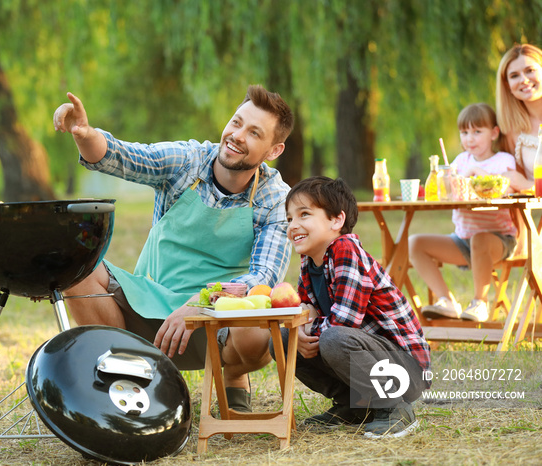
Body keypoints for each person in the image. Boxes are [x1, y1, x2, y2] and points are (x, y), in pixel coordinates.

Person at [53, 85, 294, 412]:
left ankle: (235, 375)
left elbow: (264, 277)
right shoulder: (188, 160)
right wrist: (84, 133)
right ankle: (125, 377)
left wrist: (200, 303)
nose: (237, 135)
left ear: (273, 150)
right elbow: (124, 156)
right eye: (236, 123)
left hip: (216, 319)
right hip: (146, 302)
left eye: (254, 133)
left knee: (255, 333)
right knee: (79, 267)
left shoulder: (276, 198)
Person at [269, 176, 430, 439]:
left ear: (336, 220)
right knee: (283, 338)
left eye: (304, 214)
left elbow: (344, 322)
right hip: (367, 358)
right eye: (289, 219)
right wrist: (300, 331)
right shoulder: (309, 262)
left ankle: (393, 407)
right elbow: (305, 308)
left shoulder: (346, 250)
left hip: (405, 369)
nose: (293, 225)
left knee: (332, 337)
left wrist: (309, 328)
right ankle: (355, 406)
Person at [410, 103, 517, 322]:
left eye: (477, 132)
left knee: (480, 239)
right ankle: (446, 300)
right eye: (465, 132)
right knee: (414, 243)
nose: (470, 138)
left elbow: (507, 188)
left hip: (499, 241)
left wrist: (477, 172)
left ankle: (480, 302)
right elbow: (447, 194)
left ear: (494, 133)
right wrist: (447, 184)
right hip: (462, 241)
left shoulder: (503, 161)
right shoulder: (459, 162)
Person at [496, 43, 542, 191]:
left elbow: (522, 184)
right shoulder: (512, 132)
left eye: (530, 70)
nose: (523, 79)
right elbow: (517, 198)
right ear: (507, 85)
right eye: (514, 75)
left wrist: (527, 186)